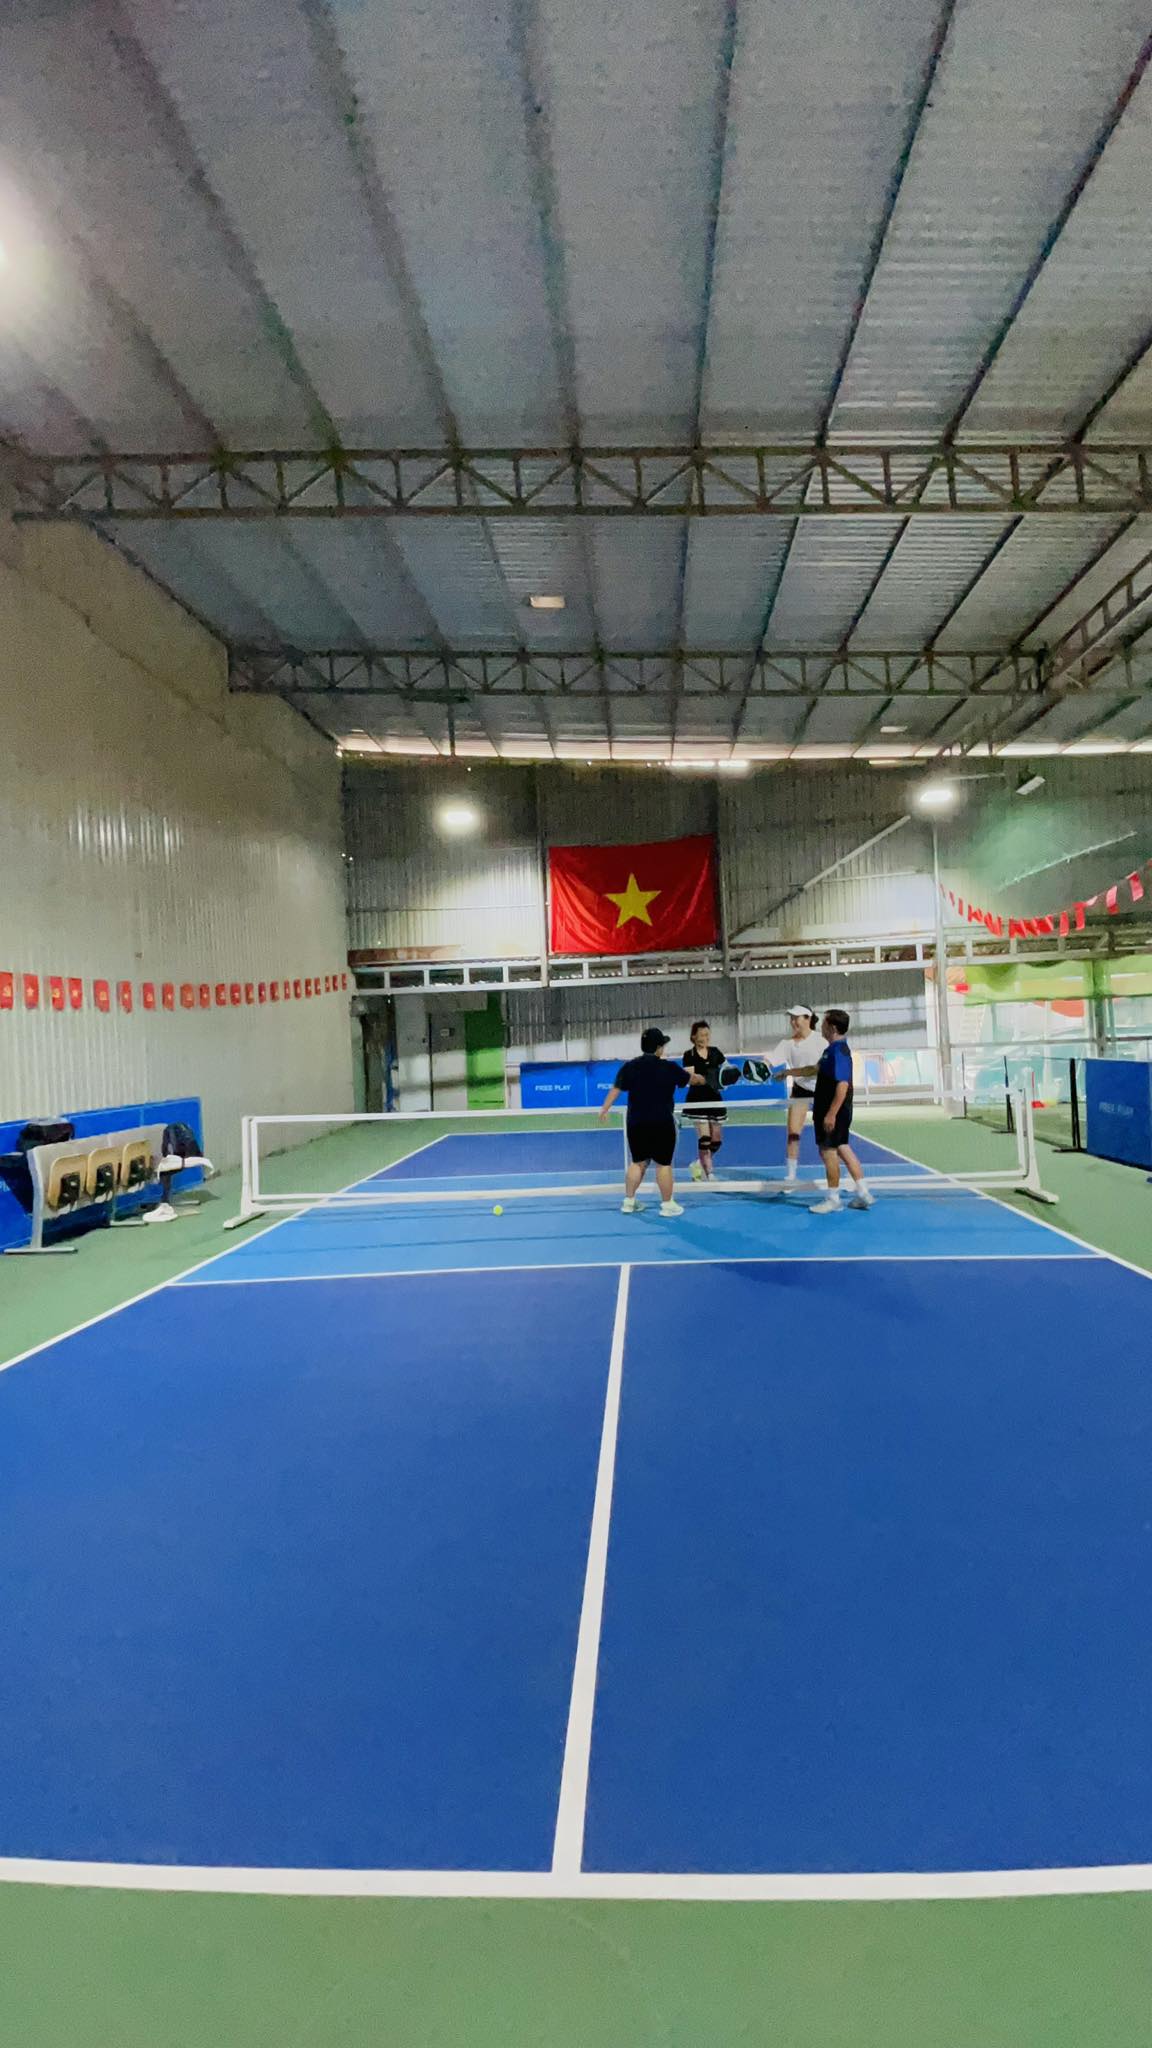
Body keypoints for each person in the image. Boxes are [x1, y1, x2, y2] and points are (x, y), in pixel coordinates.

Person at [599, 1028, 689, 1217]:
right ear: (659, 1047)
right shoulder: (669, 1067)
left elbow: (616, 1089)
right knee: (663, 1164)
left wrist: (604, 1109)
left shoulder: (630, 1067)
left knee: (638, 1162)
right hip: (662, 1122)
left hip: (636, 1123)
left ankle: (629, 1202)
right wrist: (706, 1078)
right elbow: (691, 1079)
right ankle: (667, 1205)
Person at [808, 1009, 873, 1214]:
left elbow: (843, 1085)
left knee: (828, 1152)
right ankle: (863, 1193)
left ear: (832, 1028)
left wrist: (831, 1114)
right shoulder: (831, 1050)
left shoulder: (839, 1052)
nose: (821, 1026)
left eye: (824, 1023)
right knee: (843, 1147)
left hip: (833, 1111)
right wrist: (788, 1072)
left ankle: (833, 1199)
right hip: (834, 1111)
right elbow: (815, 1069)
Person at [768, 1003, 825, 1185]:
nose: (793, 1022)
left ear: (808, 1019)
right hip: (800, 1090)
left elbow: (815, 1069)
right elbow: (770, 1060)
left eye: (796, 1018)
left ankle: (836, 1174)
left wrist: (787, 1072)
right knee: (793, 1133)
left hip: (823, 1090)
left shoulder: (821, 1040)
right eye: (791, 1019)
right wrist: (760, 1066)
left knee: (827, 1140)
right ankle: (791, 1177)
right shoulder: (787, 1044)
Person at [681, 1019, 730, 1180]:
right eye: (701, 1035)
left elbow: (727, 1070)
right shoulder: (689, 1055)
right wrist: (710, 1078)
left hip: (715, 1099)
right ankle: (709, 1173)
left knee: (716, 1141)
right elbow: (691, 1079)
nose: (705, 1038)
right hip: (698, 1100)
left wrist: (728, 1077)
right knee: (705, 1139)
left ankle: (697, 1164)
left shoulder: (716, 1052)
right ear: (694, 1037)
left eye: (707, 1034)